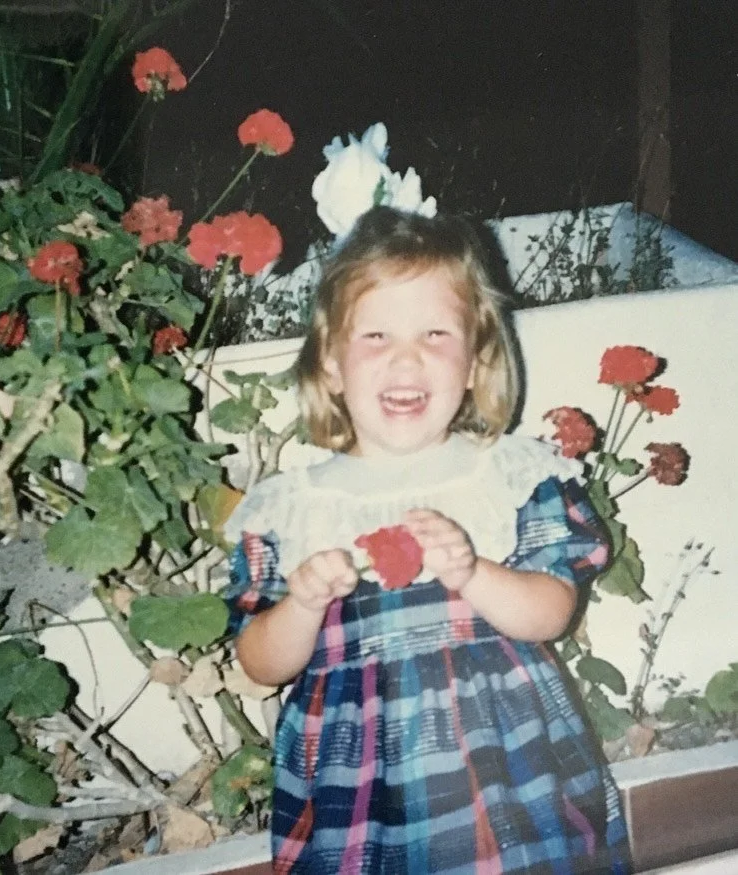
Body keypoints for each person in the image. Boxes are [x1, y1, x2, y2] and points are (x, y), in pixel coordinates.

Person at [221, 206, 631, 874]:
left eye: (435, 333)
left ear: (473, 360)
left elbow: (551, 611)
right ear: (330, 362)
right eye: (375, 335)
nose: (405, 358)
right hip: (354, 784)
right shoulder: (293, 507)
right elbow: (259, 663)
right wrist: (299, 604)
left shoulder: (506, 477)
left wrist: (473, 571)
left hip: (504, 769)